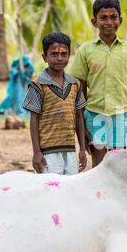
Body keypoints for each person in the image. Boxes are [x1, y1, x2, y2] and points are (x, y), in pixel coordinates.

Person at [71, 0, 127, 167]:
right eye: (103, 18)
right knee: (99, 165)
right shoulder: (85, 50)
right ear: (94, 21)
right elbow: (80, 91)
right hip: (93, 114)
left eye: (113, 17)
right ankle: (98, 194)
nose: (109, 22)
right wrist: (81, 123)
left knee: (118, 163)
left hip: (121, 114)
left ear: (120, 20)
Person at [22, 32, 87, 175]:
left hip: (70, 149)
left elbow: (79, 117)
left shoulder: (74, 84)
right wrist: (36, 152)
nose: (59, 58)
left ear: (70, 55)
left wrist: (82, 148)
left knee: (70, 188)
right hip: (48, 152)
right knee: (51, 189)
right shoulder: (38, 84)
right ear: (45, 57)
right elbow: (34, 118)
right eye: (54, 54)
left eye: (64, 54)